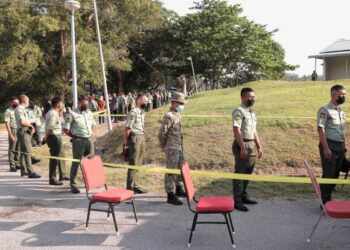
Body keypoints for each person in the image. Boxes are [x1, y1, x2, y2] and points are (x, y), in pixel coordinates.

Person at [232, 87, 263, 212]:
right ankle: (237, 201)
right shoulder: (239, 111)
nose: (252, 99)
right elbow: (236, 130)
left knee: (248, 172)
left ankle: (243, 196)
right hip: (242, 144)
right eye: (250, 97)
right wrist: (242, 148)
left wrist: (259, 146)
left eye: (253, 97)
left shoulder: (251, 112)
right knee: (240, 173)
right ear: (243, 97)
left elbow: (254, 131)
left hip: (252, 145)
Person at [317, 85, 346, 204]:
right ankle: (325, 201)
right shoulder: (325, 110)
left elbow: (342, 130)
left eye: (345, 95)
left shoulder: (340, 111)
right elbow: (321, 129)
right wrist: (326, 148)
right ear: (333, 95)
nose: (344, 97)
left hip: (340, 146)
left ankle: (329, 197)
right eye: (341, 95)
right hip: (330, 145)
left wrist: (344, 147)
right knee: (329, 173)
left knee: (336, 173)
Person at [158, 92, 187, 205]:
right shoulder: (169, 115)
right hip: (171, 147)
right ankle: (170, 194)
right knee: (171, 170)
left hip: (179, 147)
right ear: (174, 102)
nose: (182, 105)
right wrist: (162, 143)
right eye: (180, 103)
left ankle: (179, 189)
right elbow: (162, 132)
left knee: (181, 168)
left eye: (183, 103)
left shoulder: (177, 115)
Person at [63, 96, 96, 193]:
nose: (86, 106)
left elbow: (92, 125)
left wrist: (93, 135)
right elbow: (65, 128)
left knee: (90, 162)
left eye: (87, 104)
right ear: (78, 103)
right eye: (84, 104)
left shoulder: (89, 113)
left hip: (89, 140)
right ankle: (73, 184)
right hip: (78, 141)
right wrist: (74, 137)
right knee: (76, 162)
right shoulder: (72, 114)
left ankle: (89, 182)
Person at [124, 93, 148, 194]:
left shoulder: (142, 112)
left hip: (141, 136)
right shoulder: (133, 112)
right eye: (145, 101)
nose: (146, 103)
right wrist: (126, 143)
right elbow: (127, 128)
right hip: (135, 138)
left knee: (138, 163)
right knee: (133, 163)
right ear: (138, 100)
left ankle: (135, 184)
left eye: (147, 101)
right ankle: (129, 187)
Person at [44, 96, 69, 186]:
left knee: (61, 155)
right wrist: (45, 138)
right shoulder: (53, 114)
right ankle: (53, 179)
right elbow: (50, 130)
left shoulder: (55, 112)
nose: (63, 105)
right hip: (54, 137)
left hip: (57, 136)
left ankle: (63, 174)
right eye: (62, 103)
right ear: (58, 104)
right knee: (55, 158)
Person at [15, 95, 41, 178]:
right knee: (27, 152)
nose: (28, 102)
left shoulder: (22, 109)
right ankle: (30, 172)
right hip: (23, 130)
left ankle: (24, 170)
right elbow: (22, 122)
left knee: (23, 151)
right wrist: (31, 126)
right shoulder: (20, 109)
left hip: (25, 130)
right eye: (28, 100)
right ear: (24, 101)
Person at [4, 97, 20, 172]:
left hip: (19, 130)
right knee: (12, 149)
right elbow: (7, 123)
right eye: (14, 102)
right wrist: (10, 134)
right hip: (13, 130)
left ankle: (17, 163)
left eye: (17, 102)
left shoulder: (19, 110)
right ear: (11, 102)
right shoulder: (8, 111)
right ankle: (12, 166)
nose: (16, 103)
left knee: (18, 148)